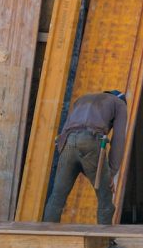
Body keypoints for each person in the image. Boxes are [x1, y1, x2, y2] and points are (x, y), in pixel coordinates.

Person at [44, 90, 127, 231]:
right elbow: (118, 139)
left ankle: (47, 242)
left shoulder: (82, 99)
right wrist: (111, 173)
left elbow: (64, 131)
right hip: (92, 140)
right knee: (105, 198)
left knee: (57, 197)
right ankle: (106, 245)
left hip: (67, 141)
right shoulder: (120, 104)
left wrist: (64, 155)